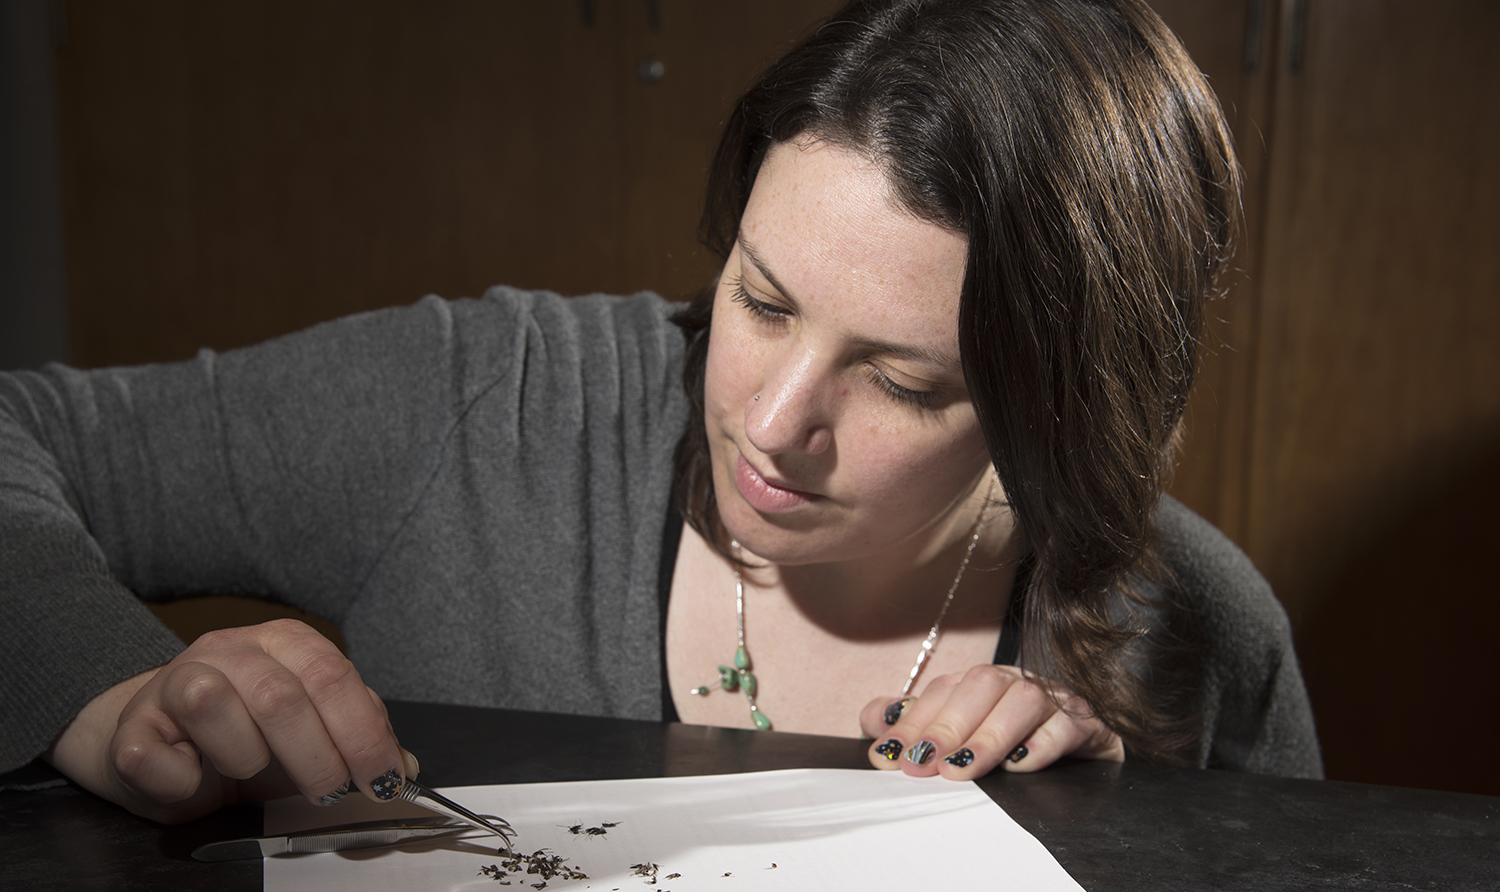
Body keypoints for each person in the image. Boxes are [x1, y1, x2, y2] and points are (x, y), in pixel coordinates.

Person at [0, 0, 1320, 825]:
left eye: (903, 382)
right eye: (761, 299)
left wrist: (1113, 844)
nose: (773, 420)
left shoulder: (1200, 624)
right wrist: (106, 697)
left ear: (1059, 407)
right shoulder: (494, 402)